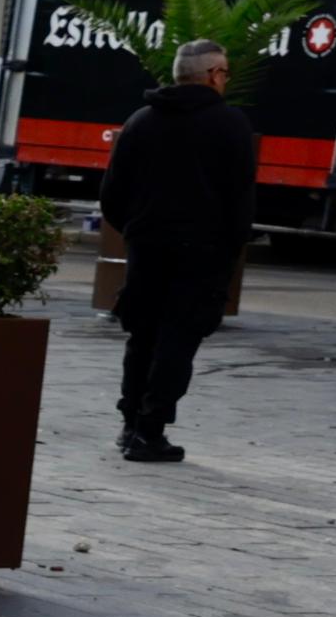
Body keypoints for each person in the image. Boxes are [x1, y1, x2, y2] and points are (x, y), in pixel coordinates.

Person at [99, 35, 261, 462]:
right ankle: (150, 431)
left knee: (143, 334)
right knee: (178, 338)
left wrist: (137, 228)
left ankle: (130, 423)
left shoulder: (140, 121)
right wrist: (230, 246)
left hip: (147, 246)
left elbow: (112, 195)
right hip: (203, 252)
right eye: (224, 72)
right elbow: (239, 199)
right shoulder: (231, 125)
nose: (226, 80)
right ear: (212, 75)